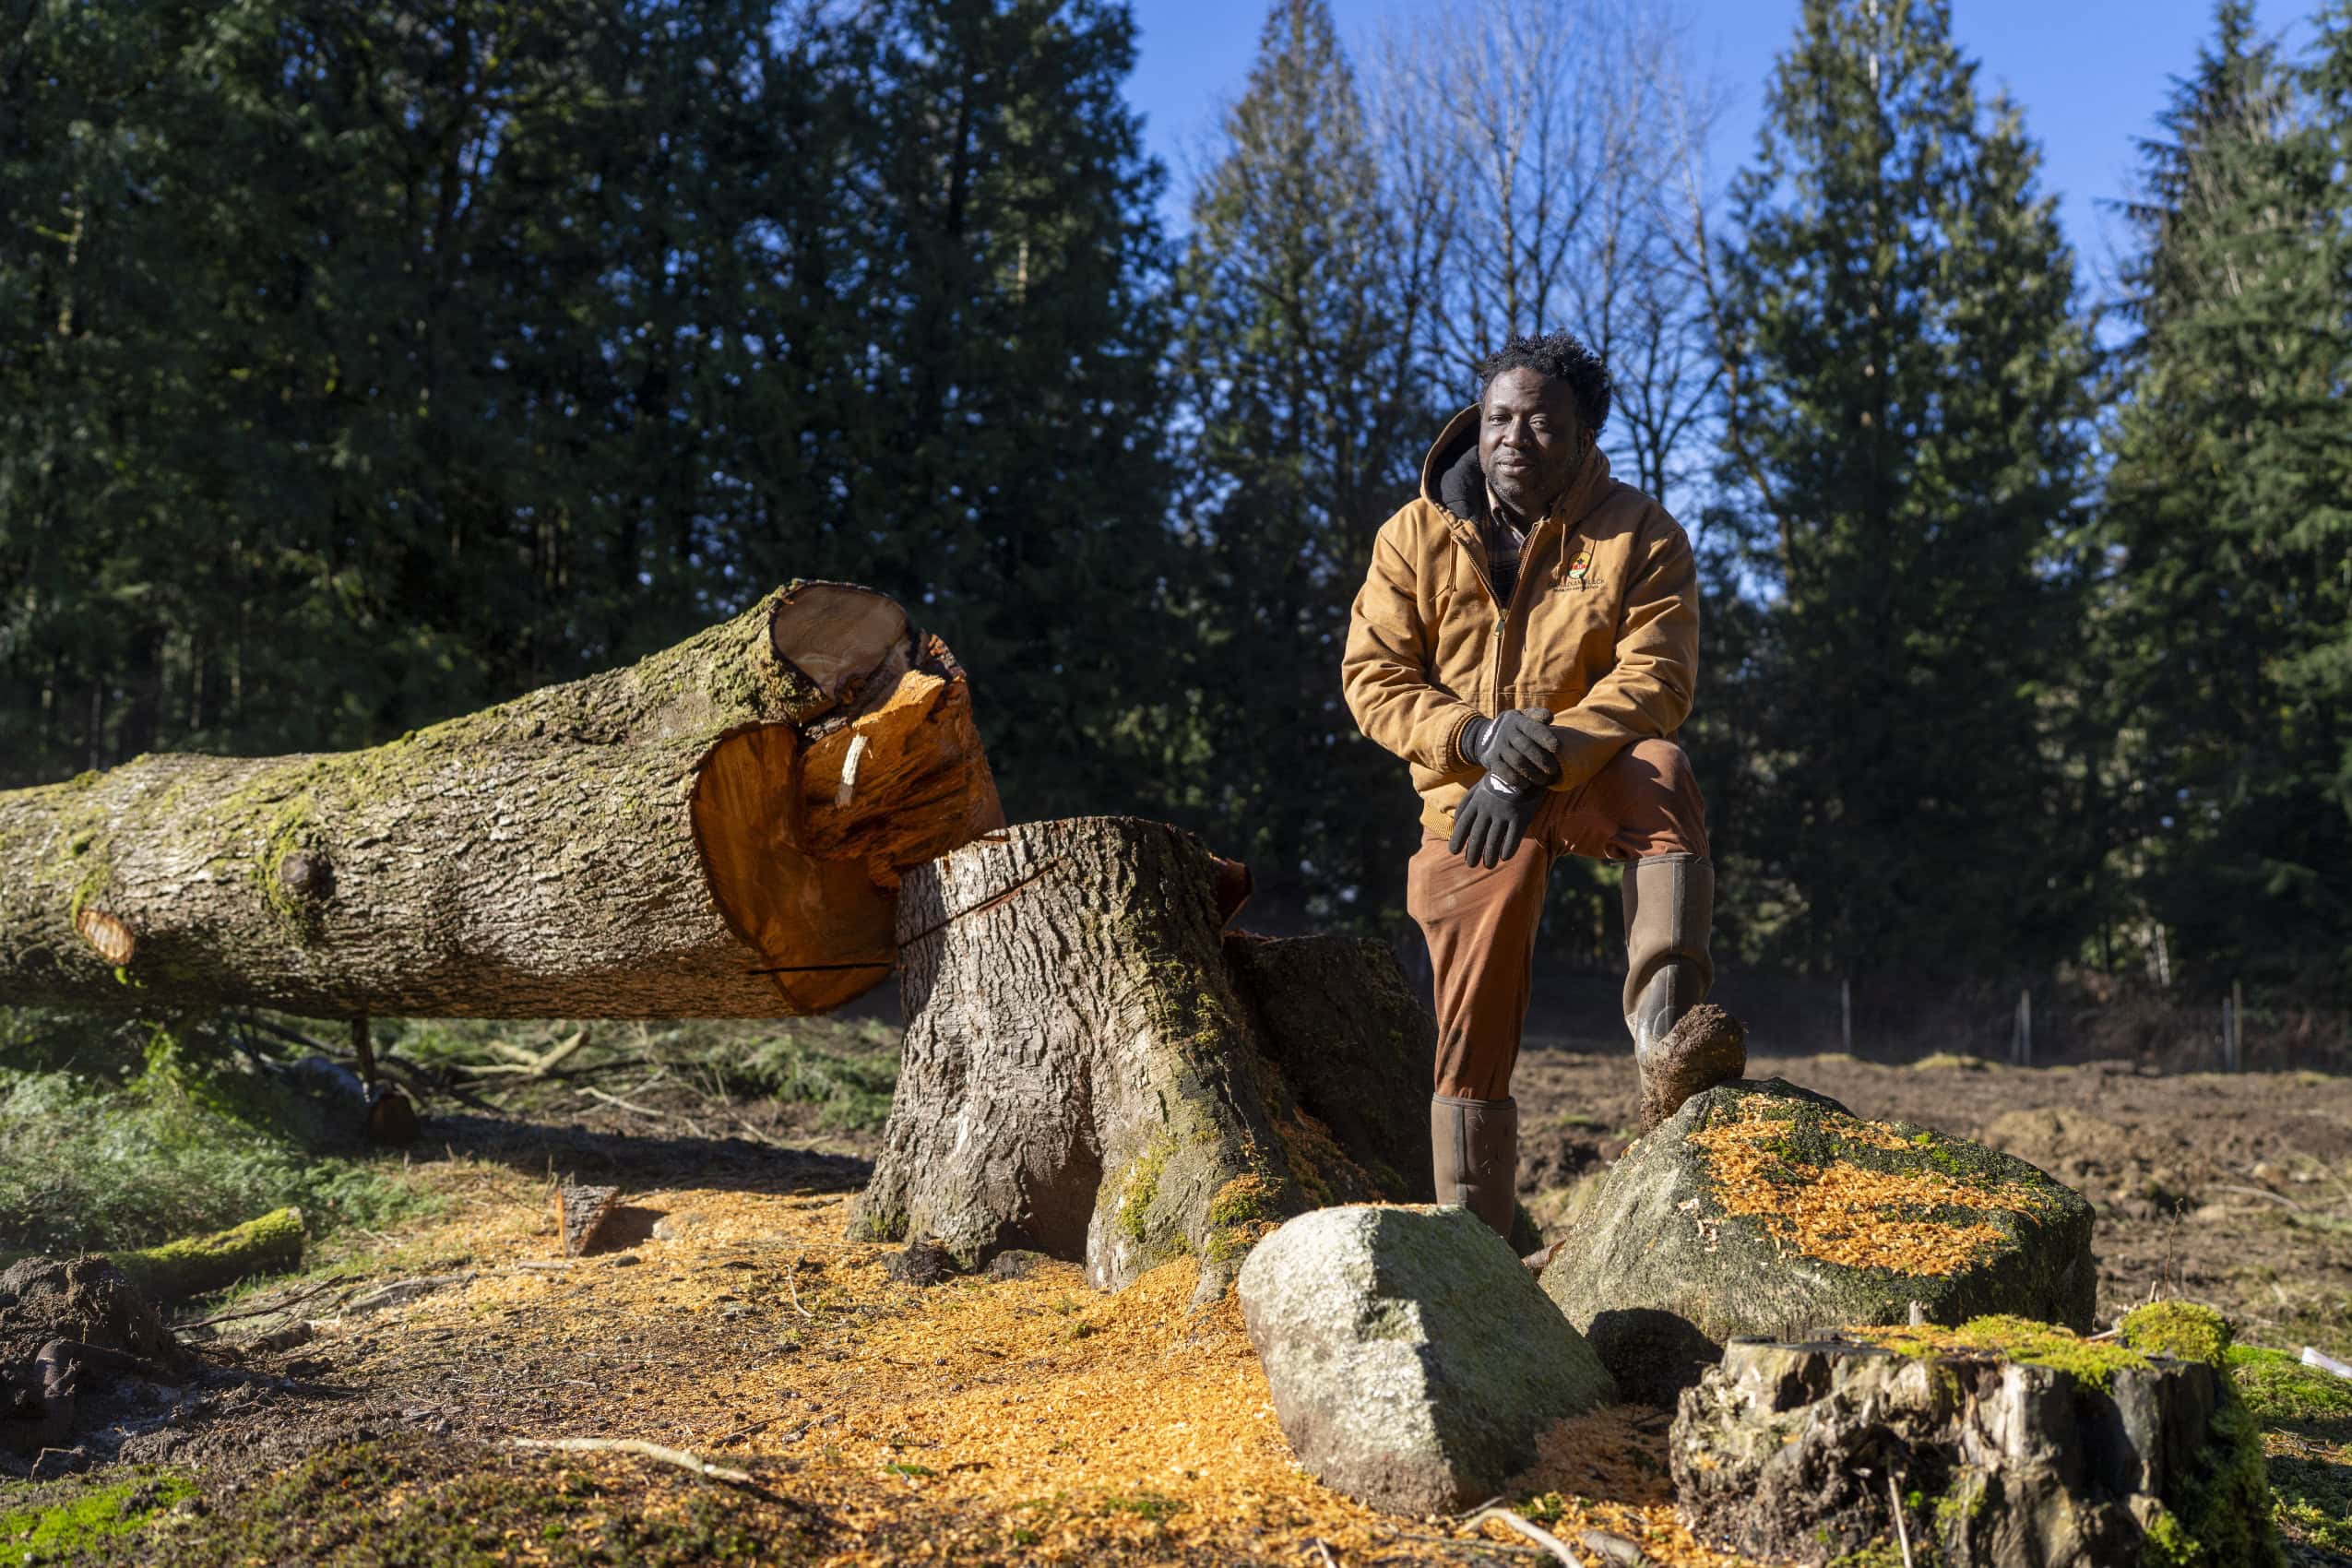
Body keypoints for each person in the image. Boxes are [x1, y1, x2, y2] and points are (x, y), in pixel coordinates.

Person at [1340, 330, 1741, 1240]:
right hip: (1463, 798)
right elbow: (1374, 679)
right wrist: (1477, 737)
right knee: (1470, 1024)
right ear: (1477, 427)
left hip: (1584, 773)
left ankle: (1668, 1038)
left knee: (1662, 769)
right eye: (1498, 417)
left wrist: (1539, 758)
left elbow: (1657, 680)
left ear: (1583, 433)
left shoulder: (1641, 532)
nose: (1516, 435)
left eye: (1542, 421)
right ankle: (1475, 1240)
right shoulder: (1411, 536)